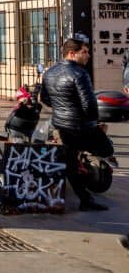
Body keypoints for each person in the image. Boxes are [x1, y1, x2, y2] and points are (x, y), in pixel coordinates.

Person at [40, 36, 113, 212]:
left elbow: (44, 98)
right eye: (84, 52)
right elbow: (89, 104)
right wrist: (93, 121)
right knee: (107, 149)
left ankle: (85, 199)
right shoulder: (80, 74)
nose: (88, 55)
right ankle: (86, 195)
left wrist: (60, 108)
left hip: (61, 125)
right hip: (82, 126)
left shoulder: (49, 72)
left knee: (70, 163)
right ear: (72, 54)